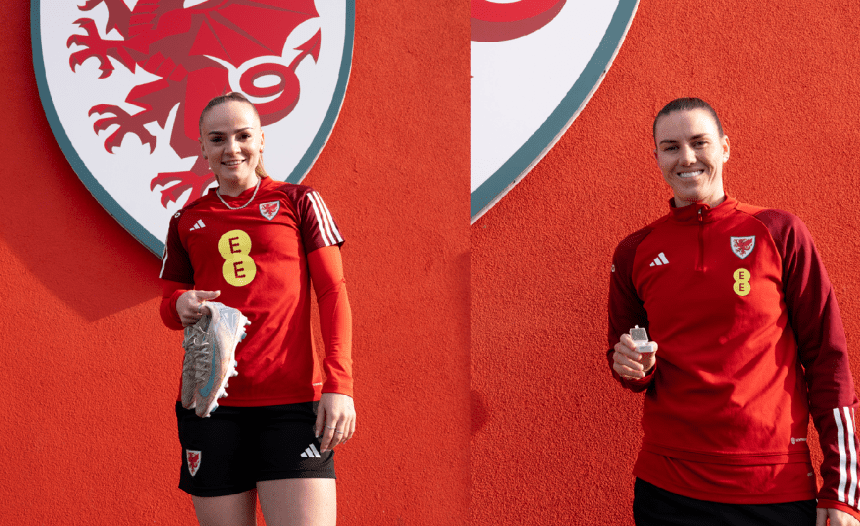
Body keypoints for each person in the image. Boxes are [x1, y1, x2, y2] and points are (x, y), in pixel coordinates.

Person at [608, 97, 860, 526]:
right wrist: (633, 365)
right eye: (671, 147)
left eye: (699, 142)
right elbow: (628, 362)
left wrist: (842, 493)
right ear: (656, 158)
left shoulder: (779, 232)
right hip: (667, 491)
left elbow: (827, 361)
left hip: (772, 490)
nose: (686, 157)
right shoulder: (636, 251)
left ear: (725, 147)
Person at [158, 92, 355, 526]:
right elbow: (169, 308)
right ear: (204, 148)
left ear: (262, 140)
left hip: (292, 406)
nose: (232, 148)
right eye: (218, 138)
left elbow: (333, 293)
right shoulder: (187, 219)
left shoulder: (299, 202)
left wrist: (339, 384)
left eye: (243, 135)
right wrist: (181, 304)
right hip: (211, 409)